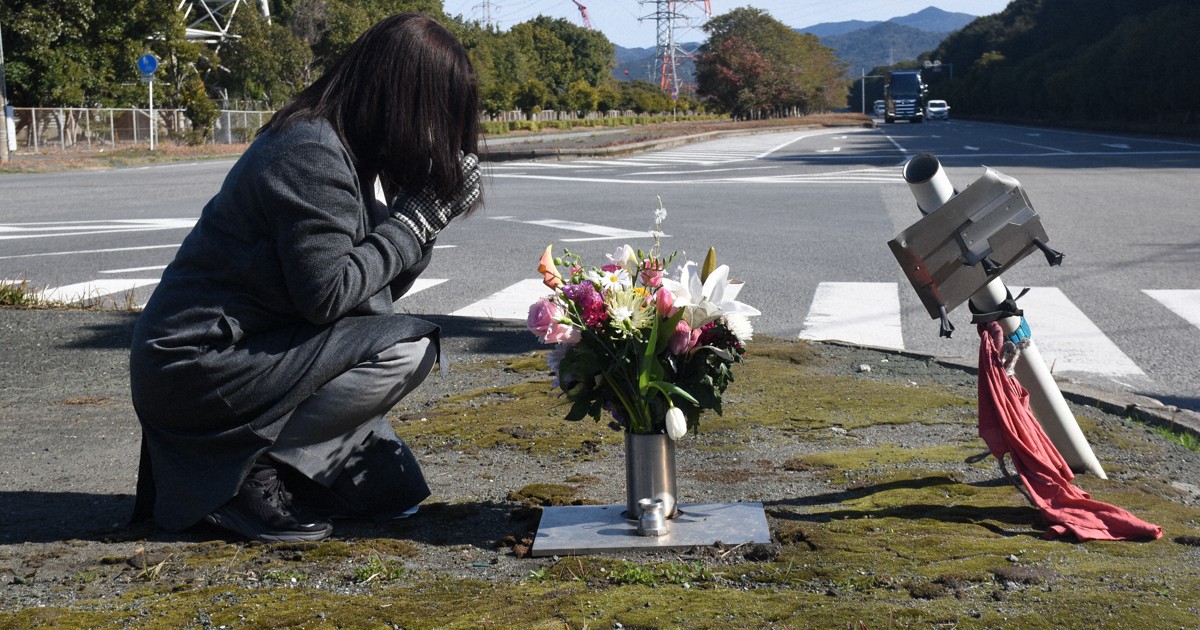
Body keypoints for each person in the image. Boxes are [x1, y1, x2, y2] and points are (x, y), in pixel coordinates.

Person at [129, 13, 482, 542]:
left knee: (392, 492)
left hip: (253, 352)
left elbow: (370, 296)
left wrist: (419, 225)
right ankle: (242, 476)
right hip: (198, 365)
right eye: (440, 116)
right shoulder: (312, 150)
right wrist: (412, 224)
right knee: (408, 348)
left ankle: (256, 471)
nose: (441, 135)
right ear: (407, 103)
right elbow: (329, 294)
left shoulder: (345, 147)